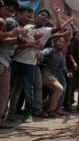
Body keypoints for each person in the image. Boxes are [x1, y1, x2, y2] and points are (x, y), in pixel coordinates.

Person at [10, 7, 61, 122]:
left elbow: (58, 28)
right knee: (14, 89)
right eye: (42, 15)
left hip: (29, 64)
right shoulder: (27, 27)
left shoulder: (46, 30)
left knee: (29, 89)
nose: (44, 17)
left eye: (47, 17)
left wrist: (57, 14)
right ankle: (10, 112)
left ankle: (28, 114)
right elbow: (20, 42)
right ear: (36, 17)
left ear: (48, 22)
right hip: (16, 60)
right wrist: (32, 39)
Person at [0, 0, 27, 129]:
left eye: (12, 11)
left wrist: (19, 40)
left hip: (6, 62)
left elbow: (8, 41)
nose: (10, 13)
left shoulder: (8, 21)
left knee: (5, 93)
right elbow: (4, 40)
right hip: (1, 60)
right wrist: (13, 35)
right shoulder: (8, 22)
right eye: (8, 9)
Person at [40, 37, 72, 118]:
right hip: (45, 74)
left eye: (62, 42)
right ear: (54, 43)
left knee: (57, 93)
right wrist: (42, 58)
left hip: (52, 76)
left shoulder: (61, 55)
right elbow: (41, 53)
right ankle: (51, 110)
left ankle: (41, 104)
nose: (61, 43)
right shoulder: (49, 50)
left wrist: (68, 73)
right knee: (60, 89)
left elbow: (64, 67)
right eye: (59, 41)